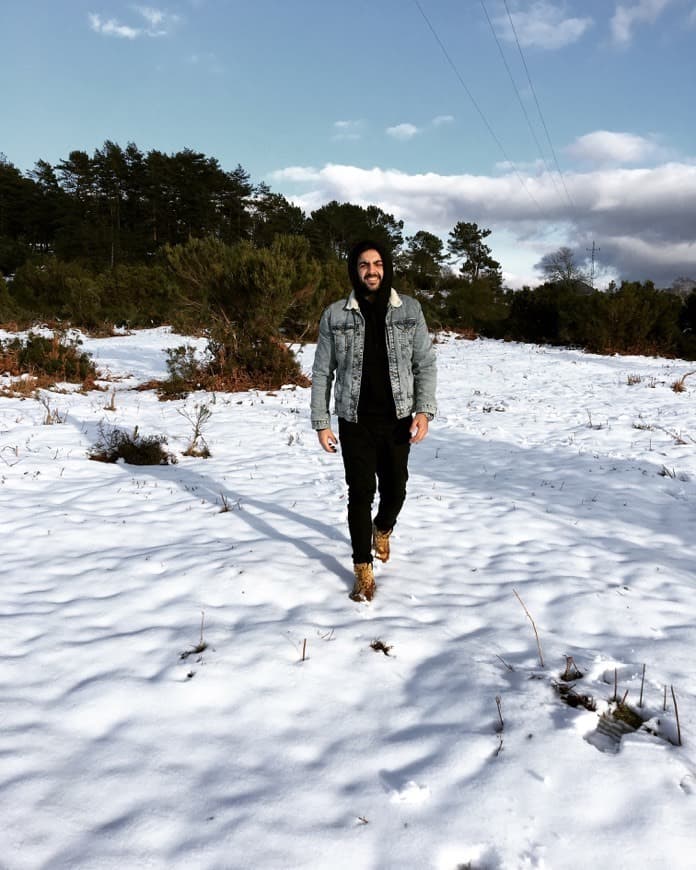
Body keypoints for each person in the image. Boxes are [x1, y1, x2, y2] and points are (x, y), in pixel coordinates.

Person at [310, 239, 437, 601]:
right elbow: (322, 372)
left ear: (387, 267)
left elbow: (424, 364)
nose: (371, 270)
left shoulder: (409, 310)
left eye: (377, 263)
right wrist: (322, 421)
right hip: (355, 421)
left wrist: (424, 411)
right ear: (355, 270)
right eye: (364, 264)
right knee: (359, 494)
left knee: (396, 490)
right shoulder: (335, 315)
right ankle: (362, 569)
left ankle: (383, 528)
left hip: (398, 418)